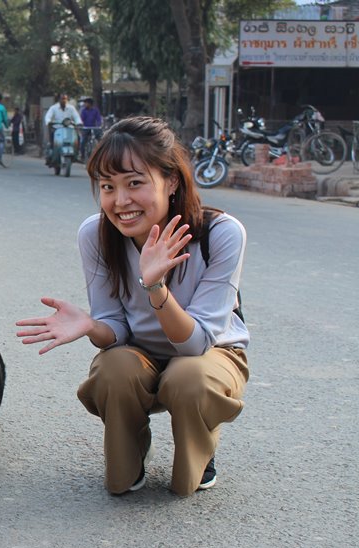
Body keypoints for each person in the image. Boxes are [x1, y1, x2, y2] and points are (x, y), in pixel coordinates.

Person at [15, 116, 249, 497]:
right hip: (139, 353)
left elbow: (197, 344)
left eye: (135, 183)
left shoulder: (220, 234)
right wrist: (91, 326)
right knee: (114, 369)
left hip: (210, 355)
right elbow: (115, 329)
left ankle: (198, 446)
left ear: (171, 180)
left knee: (188, 379)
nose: (120, 202)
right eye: (108, 187)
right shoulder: (96, 233)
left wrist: (155, 286)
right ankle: (131, 454)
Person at [43, 94, 82, 166]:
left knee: (78, 138)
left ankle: (77, 153)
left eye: (65, 99)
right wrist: (48, 121)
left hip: (69, 128)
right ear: (59, 100)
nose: (64, 100)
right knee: (52, 139)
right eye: (62, 99)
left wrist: (79, 122)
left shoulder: (71, 108)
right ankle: (51, 154)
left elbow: (76, 117)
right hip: (57, 128)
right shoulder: (53, 108)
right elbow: (48, 116)